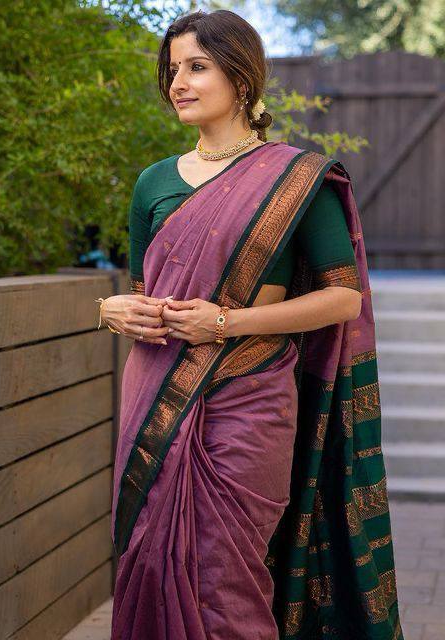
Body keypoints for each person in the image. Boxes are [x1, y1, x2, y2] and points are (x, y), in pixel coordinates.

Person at [95, 9, 404, 640]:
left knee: (226, 573)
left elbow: (343, 299)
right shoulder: (153, 183)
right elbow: (143, 292)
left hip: (250, 391)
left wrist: (226, 321)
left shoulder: (296, 179)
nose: (178, 83)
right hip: (157, 390)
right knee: (149, 557)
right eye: (172, 69)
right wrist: (114, 312)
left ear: (241, 78)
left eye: (197, 67)